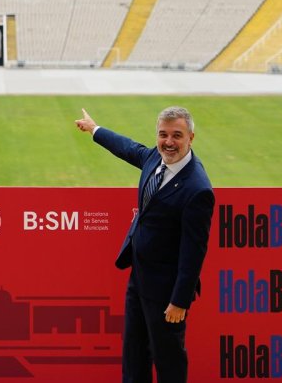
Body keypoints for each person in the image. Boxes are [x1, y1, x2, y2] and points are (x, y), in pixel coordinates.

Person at [75, 105, 214, 383]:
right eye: (163, 134)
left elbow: (193, 253)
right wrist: (95, 130)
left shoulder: (197, 189)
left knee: (168, 361)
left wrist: (179, 301)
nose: (169, 142)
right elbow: (128, 148)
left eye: (177, 135)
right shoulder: (154, 157)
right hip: (139, 279)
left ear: (191, 138)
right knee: (134, 356)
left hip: (166, 293)